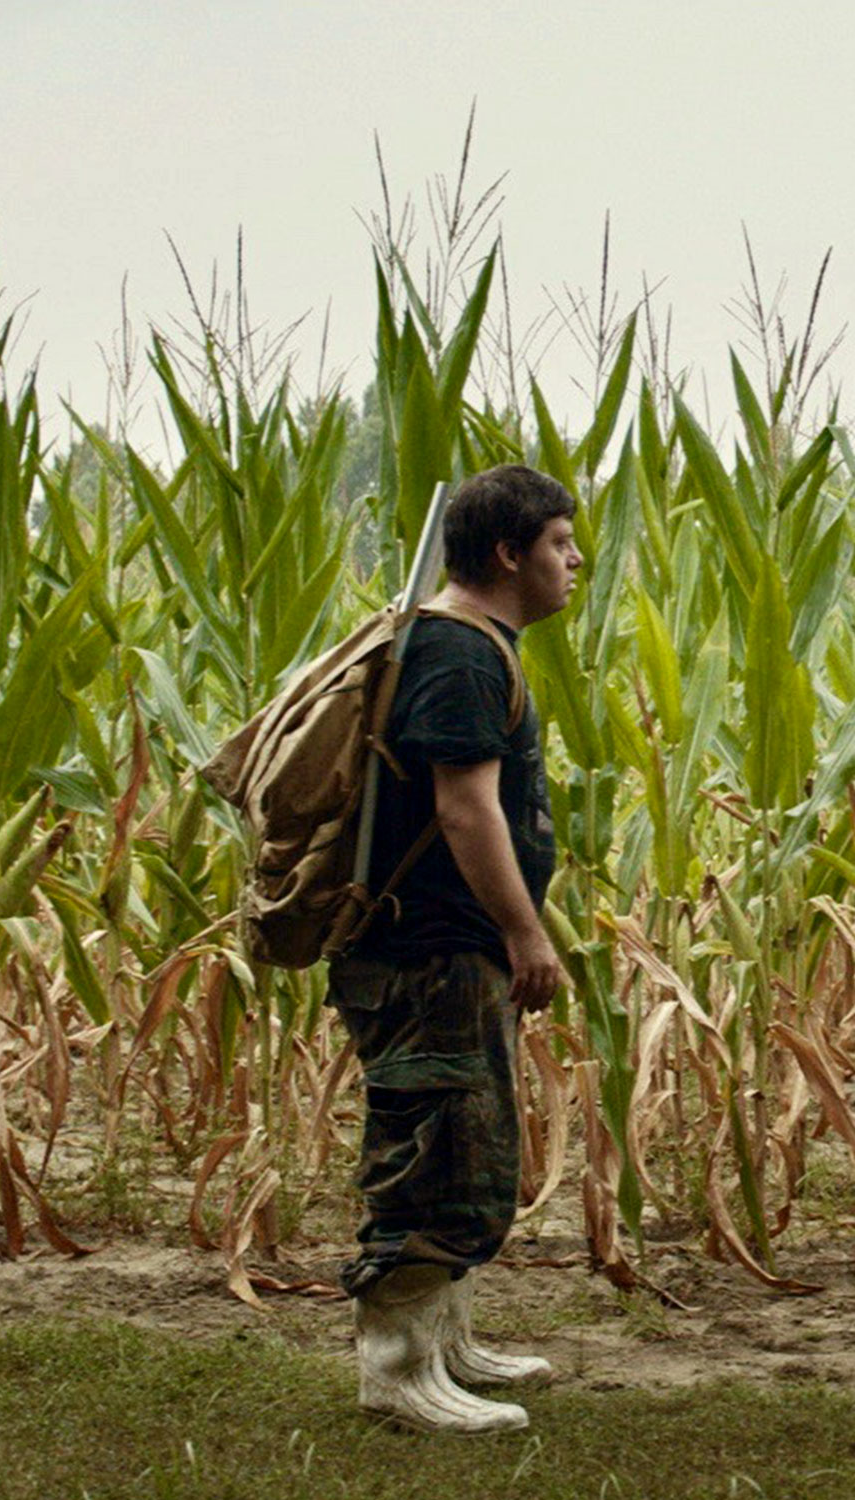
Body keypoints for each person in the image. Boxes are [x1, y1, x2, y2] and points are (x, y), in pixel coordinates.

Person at [328, 463, 584, 1433]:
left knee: (466, 1146)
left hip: (444, 955)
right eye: (558, 542)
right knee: (433, 1152)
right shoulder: (460, 654)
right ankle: (396, 1371)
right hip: (426, 952)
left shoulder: (470, 646)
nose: (575, 560)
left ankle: (445, 1346)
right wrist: (525, 932)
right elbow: (465, 809)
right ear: (508, 553)